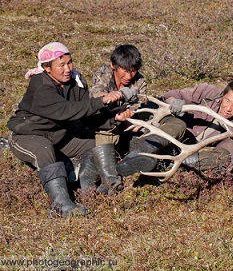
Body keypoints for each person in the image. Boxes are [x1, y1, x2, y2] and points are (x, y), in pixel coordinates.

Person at [7, 42, 127, 217]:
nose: (67, 68)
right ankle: (61, 204)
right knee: (44, 149)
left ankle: (93, 187)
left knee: (95, 144)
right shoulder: (40, 85)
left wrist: (113, 118)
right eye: (61, 65)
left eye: (69, 63)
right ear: (47, 68)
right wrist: (101, 101)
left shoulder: (75, 82)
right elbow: (67, 111)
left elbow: (85, 113)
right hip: (27, 136)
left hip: (59, 135)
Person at [85, 44, 186, 179]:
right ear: (113, 65)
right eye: (125, 71)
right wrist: (117, 96)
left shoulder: (140, 80)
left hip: (129, 121)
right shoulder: (103, 73)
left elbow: (137, 107)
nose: (129, 76)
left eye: (133, 71)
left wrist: (133, 120)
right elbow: (96, 94)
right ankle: (110, 177)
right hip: (107, 120)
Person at [162, 79, 233, 171]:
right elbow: (173, 94)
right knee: (179, 125)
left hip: (190, 153)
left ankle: (174, 163)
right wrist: (174, 101)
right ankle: (151, 148)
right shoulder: (209, 92)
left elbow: (227, 157)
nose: (228, 108)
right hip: (173, 133)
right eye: (227, 100)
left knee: (225, 157)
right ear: (223, 95)